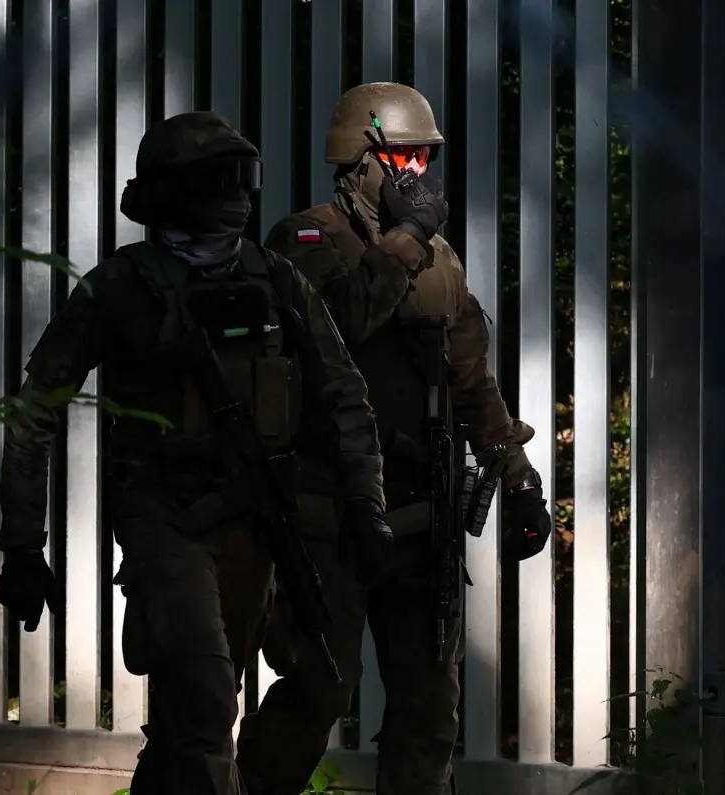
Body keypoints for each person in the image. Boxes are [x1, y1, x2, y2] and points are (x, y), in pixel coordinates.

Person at [0, 111, 392, 795]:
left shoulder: (277, 279)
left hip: (257, 515)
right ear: (174, 191)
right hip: (163, 514)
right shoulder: (120, 286)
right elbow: (37, 410)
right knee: (207, 700)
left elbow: (345, 394)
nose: (237, 196)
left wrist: (365, 501)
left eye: (244, 178)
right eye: (218, 180)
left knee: (209, 714)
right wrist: (25, 544)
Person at [237, 82, 553, 795]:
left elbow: (471, 375)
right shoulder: (307, 240)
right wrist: (405, 241)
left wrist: (518, 473)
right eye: (403, 155)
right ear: (359, 160)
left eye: (424, 157)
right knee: (321, 683)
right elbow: (333, 330)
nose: (417, 172)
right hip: (333, 512)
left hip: (421, 517)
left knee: (428, 707)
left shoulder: (438, 259)